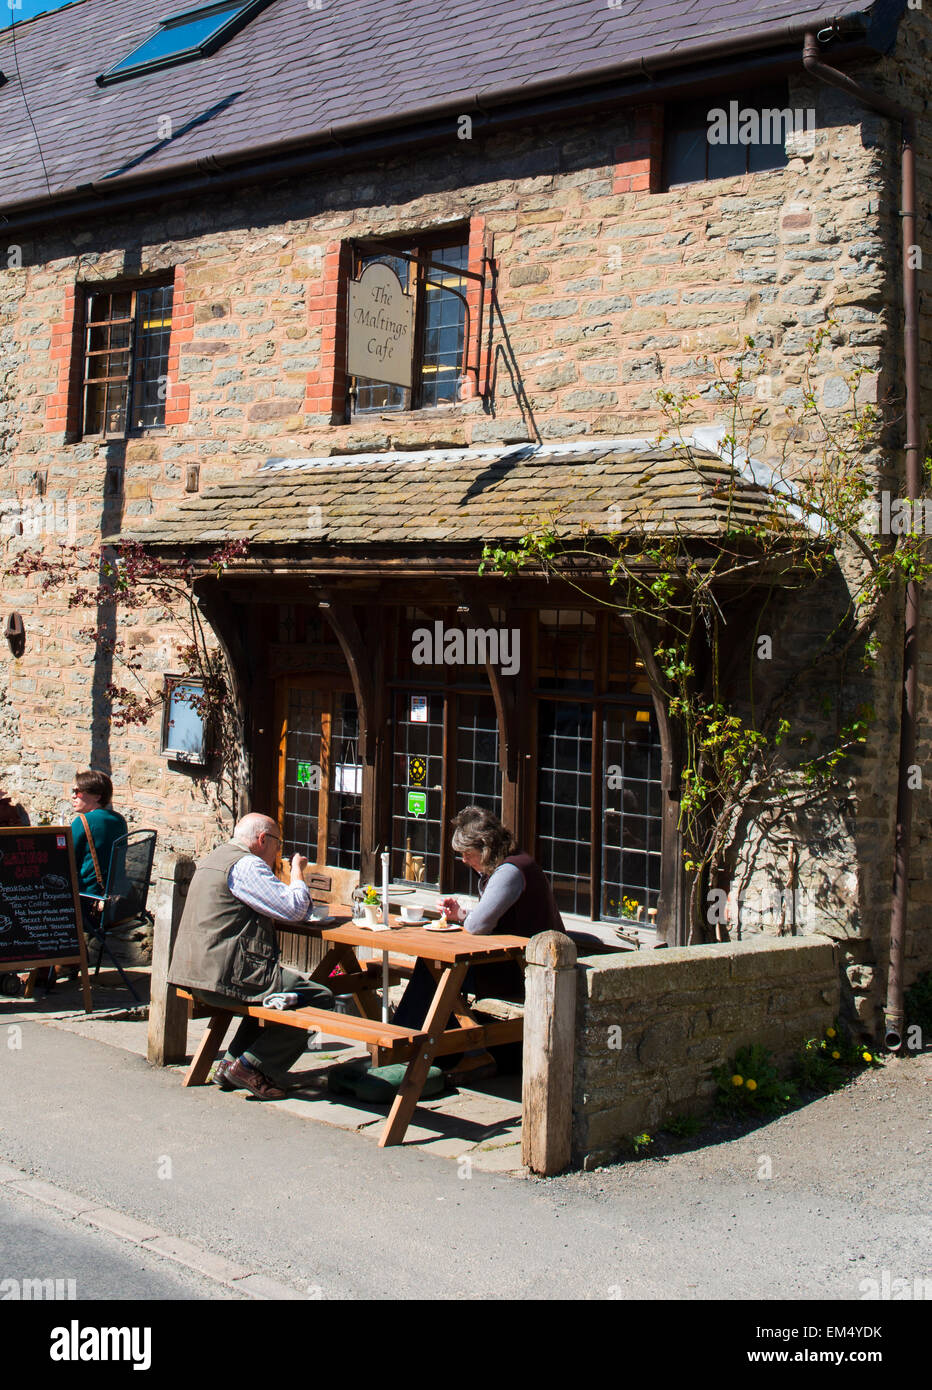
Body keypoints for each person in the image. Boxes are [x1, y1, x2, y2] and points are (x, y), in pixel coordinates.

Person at [168, 813, 334, 1100]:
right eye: (277, 846)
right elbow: (294, 909)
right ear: (262, 840)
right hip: (224, 975)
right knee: (319, 998)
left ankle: (232, 1064)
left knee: (276, 997)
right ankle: (251, 1067)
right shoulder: (246, 864)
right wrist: (297, 872)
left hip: (195, 972)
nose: (276, 855)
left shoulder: (214, 858)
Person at [393, 807, 565, 1072]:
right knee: (433, 967)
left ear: (484, 847)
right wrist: (458, 913)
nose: (463, 860)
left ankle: (408, 1045)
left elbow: (478, 925)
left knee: (433, 969)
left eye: (466, 854)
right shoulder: (511, 865)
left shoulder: (510, 871)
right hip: (512, 962)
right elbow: (484, 918)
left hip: (520, 969)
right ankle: (429, 1047)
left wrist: (465, 918)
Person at [70, 770, 128, 899]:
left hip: (88, 895)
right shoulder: (119, 820)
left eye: (77, 792)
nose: (73, 796)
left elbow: (67, 860)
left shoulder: (82, 821)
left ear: (97, 796)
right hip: (115, 895)